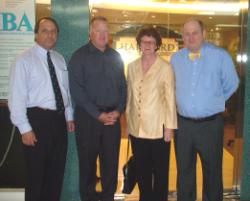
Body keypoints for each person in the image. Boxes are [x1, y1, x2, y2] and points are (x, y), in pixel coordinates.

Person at [170, 19, 239, 201]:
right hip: (183, 125)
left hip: (210, 125)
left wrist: (215, 100)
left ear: (204, 34)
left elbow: (232, 83)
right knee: (184, 172)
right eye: (187, 34)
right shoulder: (175, 59)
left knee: (212, 172)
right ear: (182, 36)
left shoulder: (220, 56)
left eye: (195, 33)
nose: (191, 37)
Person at [8, 17, 75, 201]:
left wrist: (69, 116)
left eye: (53, 31)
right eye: (45, 30)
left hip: (58, 121)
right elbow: (16, 97)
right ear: (36, 34)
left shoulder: (59, 59)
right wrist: (25, 129)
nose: (50, 35)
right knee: (36, 176)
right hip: (36, 121)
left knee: (56, 174)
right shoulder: (23, 60)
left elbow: (64, 90)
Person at [68, 16, 127, 201]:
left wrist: (118, 111)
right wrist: (98, 114)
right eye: (98, 30)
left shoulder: (115, 56)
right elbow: (77, 92)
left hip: (113, 119)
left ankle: (108, 197)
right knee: (87, 166)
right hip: (88, 119)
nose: (102, 35)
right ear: (90, 33)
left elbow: (123, 88)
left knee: (110, 165)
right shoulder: (79, 57)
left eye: (105, 31)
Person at [126, 27, 177, 201]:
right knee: (142, 170)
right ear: (139, 44)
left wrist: (170, 127)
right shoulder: (132, 67)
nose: (147, 44)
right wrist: (128, 123)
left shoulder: (165, 67)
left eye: (151, 41)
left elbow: (170, 99)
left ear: (156, 45)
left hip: (158, 129)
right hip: (137, 128)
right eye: (144, 41)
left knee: (161, 172)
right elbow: (130, 97)